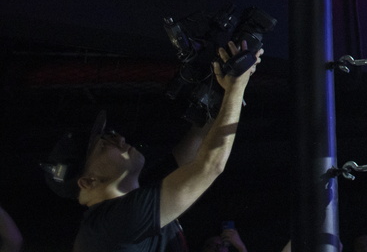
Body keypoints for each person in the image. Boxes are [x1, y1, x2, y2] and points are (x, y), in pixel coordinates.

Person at [40, 41, 262, 252]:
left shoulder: (131, 200)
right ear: (88, 181)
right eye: (104, 144)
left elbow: (197, 144)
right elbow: (208, 167)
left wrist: (231, 83)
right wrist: (235, 88)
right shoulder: (110, 227)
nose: (120, 139)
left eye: (111, 135)